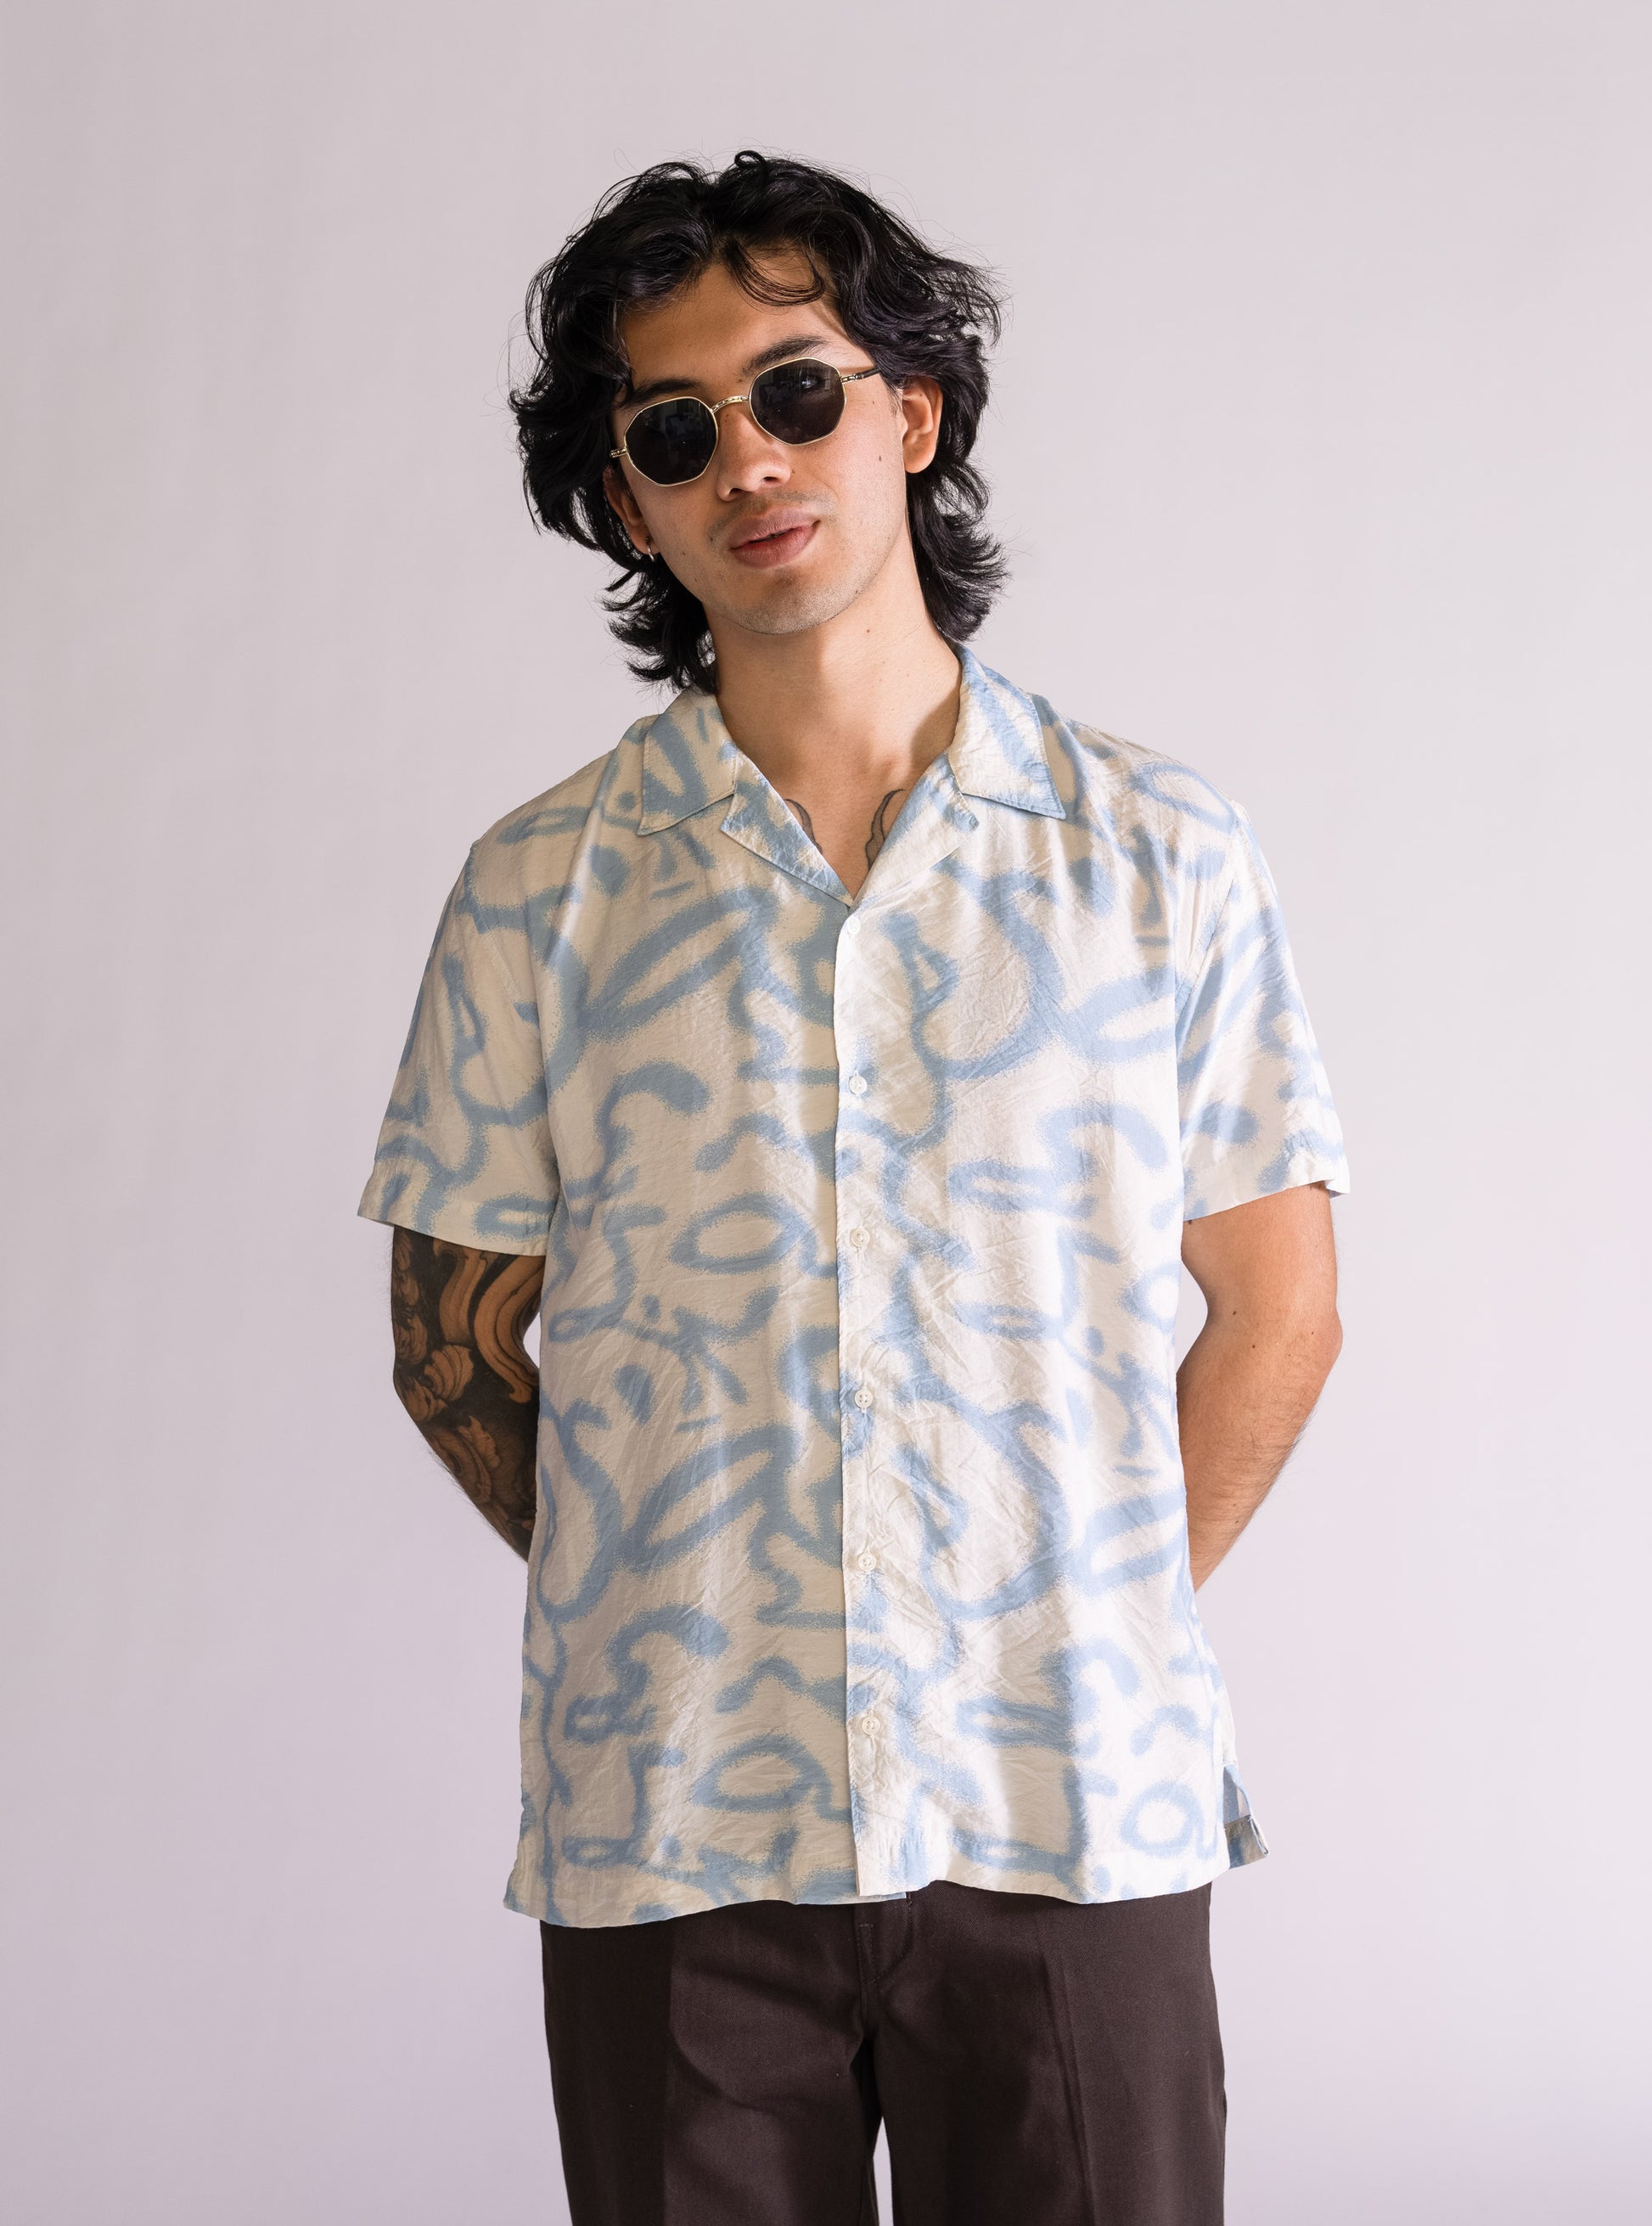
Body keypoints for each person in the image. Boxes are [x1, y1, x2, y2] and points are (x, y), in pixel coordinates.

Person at [359, 149, 1348, 2226]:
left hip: (1070, 1804)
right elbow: (450, 1348)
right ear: (625, 501)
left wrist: (1080, 1607)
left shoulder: (1157, 852)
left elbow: (1279, 1306)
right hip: (677, 1829)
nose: (746, 459)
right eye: (672, 431)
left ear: (909, 412)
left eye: (795, 391)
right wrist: (695, 1582)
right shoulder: (538, 890)